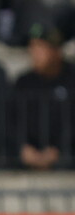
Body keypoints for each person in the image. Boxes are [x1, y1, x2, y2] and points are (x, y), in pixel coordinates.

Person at [12, 23, 75, 170]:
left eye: (40, 47)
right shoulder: (24, 82)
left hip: (68, 156)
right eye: (32, 47)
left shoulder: (72, 78)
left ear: (56, 51)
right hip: (29, 157)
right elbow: (12, 121)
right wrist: (24, 147)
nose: (33, 52)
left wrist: (57, 150)